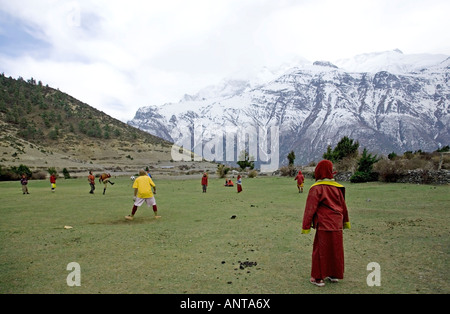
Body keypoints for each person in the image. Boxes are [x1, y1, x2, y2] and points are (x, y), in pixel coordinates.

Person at [301, 160, 351, 287]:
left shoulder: (317, 188)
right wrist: (345, 221)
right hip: (337, 224)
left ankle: (318, 278)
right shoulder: (337, 188)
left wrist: (306, 226)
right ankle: (334, 275)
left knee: (320, 250)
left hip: (324, 224)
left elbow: (310, 208)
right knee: (336, 249)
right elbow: (343, 207)